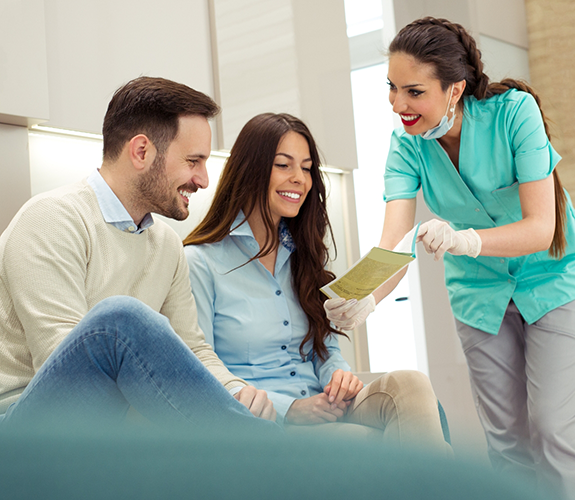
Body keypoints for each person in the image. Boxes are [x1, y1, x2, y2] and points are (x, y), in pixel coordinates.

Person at [324, 16, 575, 499]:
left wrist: (467, 241)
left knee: (553, 430)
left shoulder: (513, 112)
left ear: (455, 89)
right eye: (392, 88)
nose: (399, 105)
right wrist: (361, 300)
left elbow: (541, 227)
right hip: (479, 296)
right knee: (505, 442)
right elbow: (392, 242)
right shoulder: (407, 146)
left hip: (553, 280)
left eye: (414, 91)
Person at [0, 76, 278, 431]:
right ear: (142, 151)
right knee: (118, 321)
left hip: (104, 433)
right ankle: (264, 454)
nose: (204, 179)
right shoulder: (52, 218)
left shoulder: (166, 244)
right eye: (193, 161)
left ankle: (256, 450)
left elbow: (193, 349)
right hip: (22, 430)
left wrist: (234, 392)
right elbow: (68, 368)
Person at [183, 112, 449, 451]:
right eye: (284, 165)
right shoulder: (200, 262)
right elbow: (200, 372)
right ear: (251, 168)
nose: (300, 179)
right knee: (368, 444)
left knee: (411, 384)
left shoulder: (305, 255)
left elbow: (324, 349)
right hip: (264, 425)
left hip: (328, 407)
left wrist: (338, 376)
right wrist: (290, 410)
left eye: (307, 168)